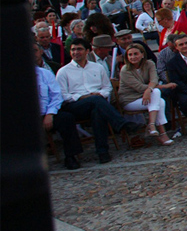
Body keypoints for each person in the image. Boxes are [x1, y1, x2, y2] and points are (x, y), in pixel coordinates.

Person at [55, 38, 142, 167]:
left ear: (87, 51)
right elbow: (64, 95)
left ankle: (102, 152)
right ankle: (122, 124)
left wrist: (99, 95)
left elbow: (107, 88)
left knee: (98, 111)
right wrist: (83, 97)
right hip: (74, 105)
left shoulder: (97, 68)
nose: (75, 52)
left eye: (79, 49)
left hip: (97, 103)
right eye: (73, 50)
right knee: (96, 101)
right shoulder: (63, 71)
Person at [117, 42, 176, 145]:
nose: (133, 57)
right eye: (130, 55)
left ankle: (153, 127)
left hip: (146, 96)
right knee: (158, 96)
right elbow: (139, 87)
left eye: (136, 54)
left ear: (142, 54)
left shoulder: (149, 64)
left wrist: (149, 90)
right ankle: (159, 131)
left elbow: (154, 79)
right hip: (130, 100)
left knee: (160, 100)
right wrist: (163, 86)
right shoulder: (125, 70)